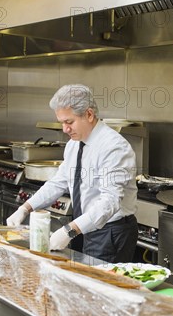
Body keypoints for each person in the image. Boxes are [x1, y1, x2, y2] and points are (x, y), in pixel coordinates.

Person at [7, 84, 138, 263]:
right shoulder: (74, 144)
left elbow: (110, 201)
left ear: (89, 115)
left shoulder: (113, 147)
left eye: (69, 122)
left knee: (100, 288)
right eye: (62, 123)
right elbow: (58, 182)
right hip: (84, 226)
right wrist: (26, 208)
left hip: (110, 232)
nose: (65, 129)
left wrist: (70, 230)